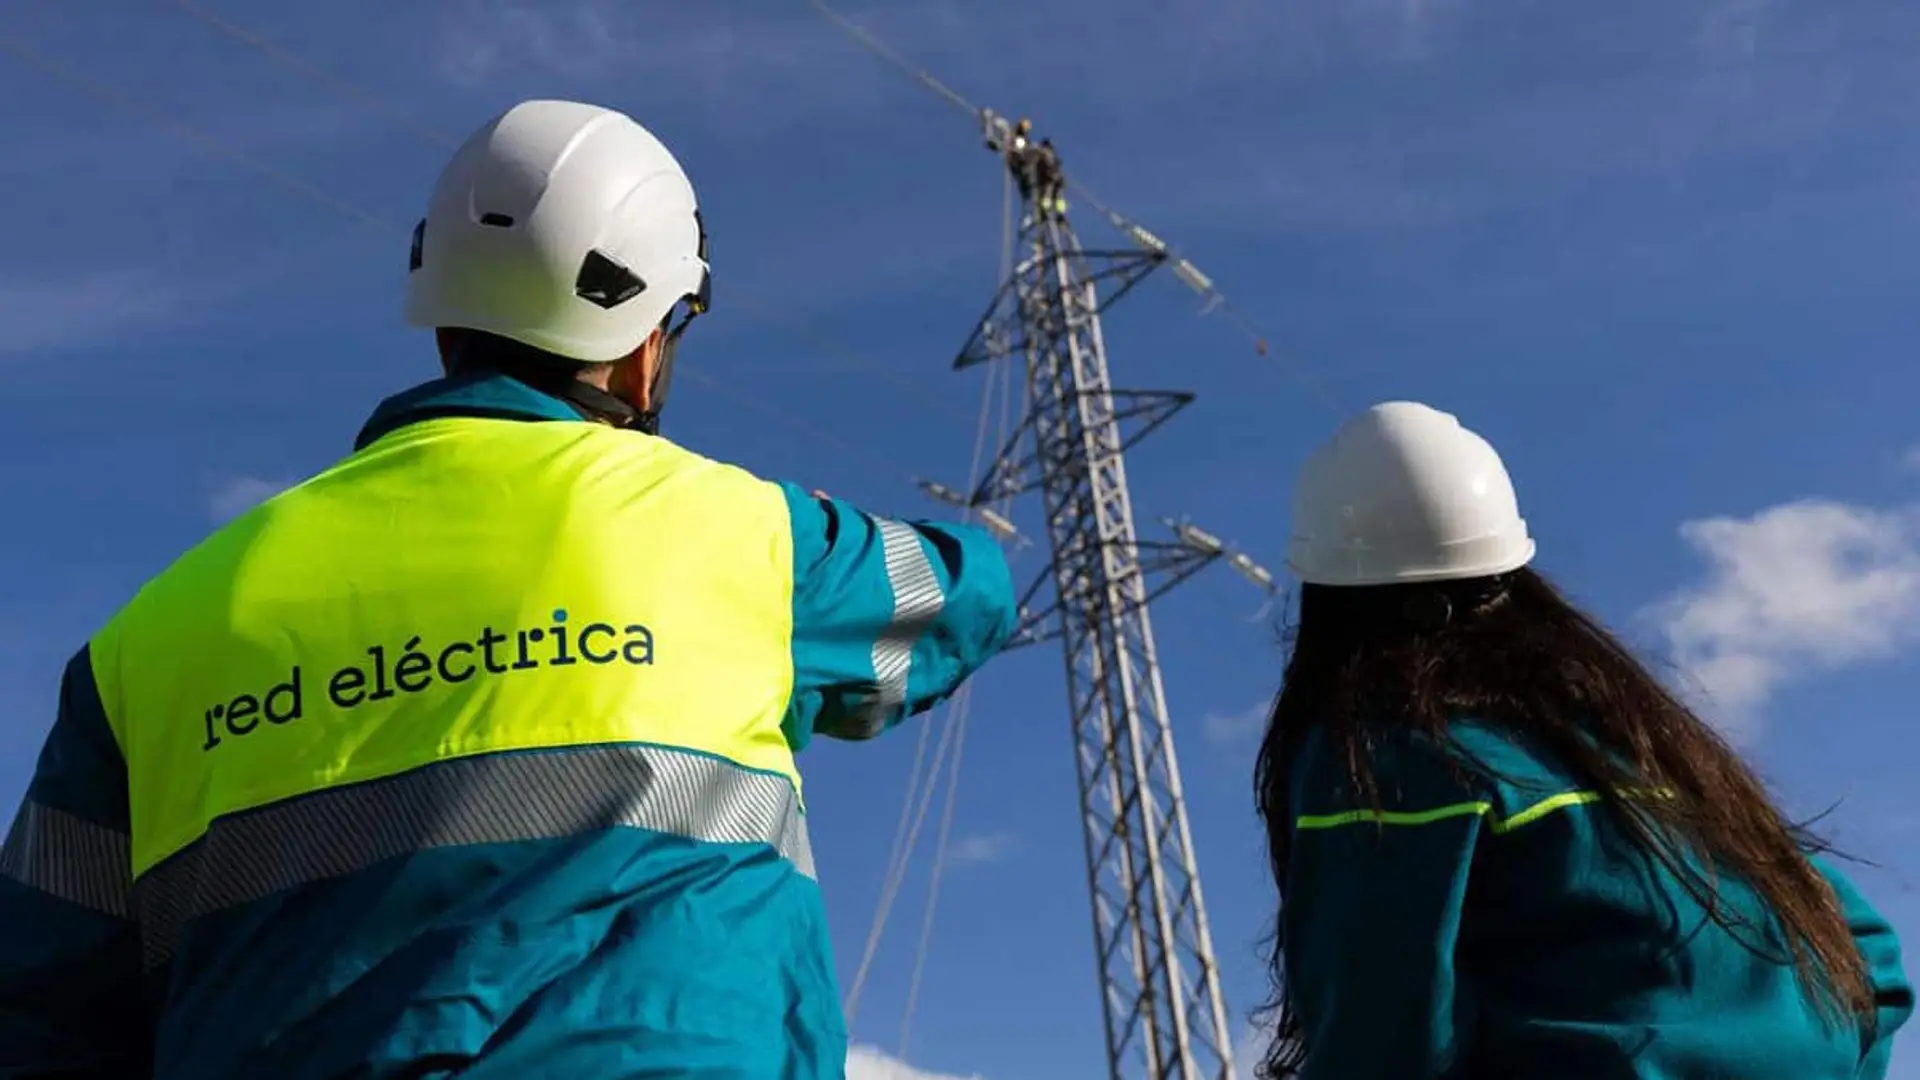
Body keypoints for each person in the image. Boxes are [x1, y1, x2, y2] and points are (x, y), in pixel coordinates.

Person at [0, 99, 1018, 1078]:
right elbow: (966, 597)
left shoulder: (147, 644)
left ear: (440, 314)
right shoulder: (738, 532)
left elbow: (39, 1020)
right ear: (649, 342)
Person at [1252, 401, 1912, 1079]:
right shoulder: (1655, 755)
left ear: (1329, 595)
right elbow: (1869, 955)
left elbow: (1381, 1038)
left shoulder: (1386, 757)